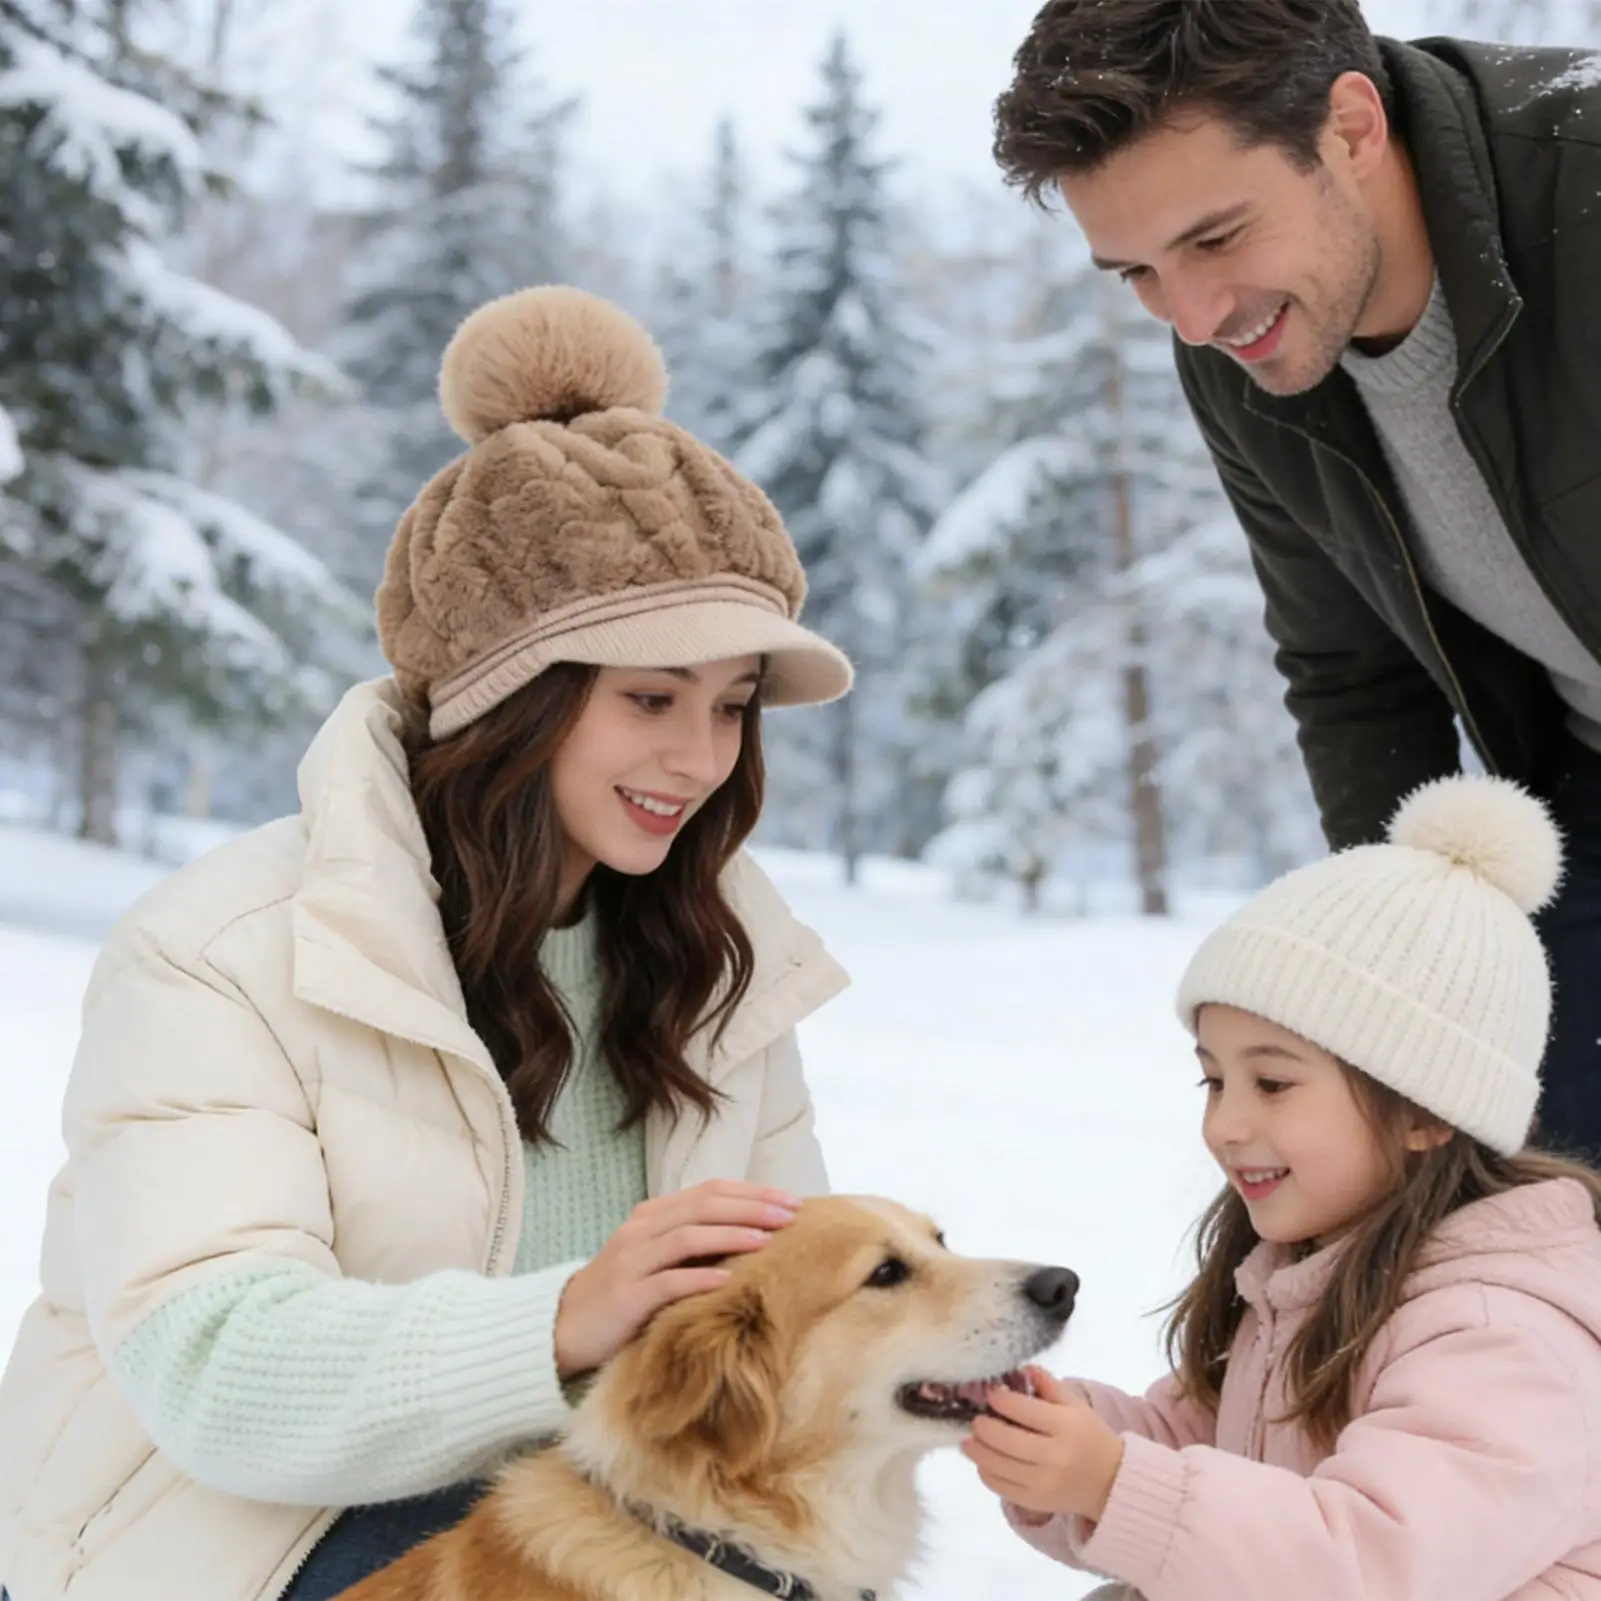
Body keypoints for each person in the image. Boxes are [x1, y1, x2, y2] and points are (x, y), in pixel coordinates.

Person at [0, 285, 856, 1601]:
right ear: (511, 695)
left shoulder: (716, 963)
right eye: (647, 698)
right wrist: (568, 1317)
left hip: (569, 1517)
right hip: (228, 1536)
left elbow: (786, 1305)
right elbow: (213, 1365)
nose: (698, 759)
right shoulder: (226, 949)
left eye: (732, 706)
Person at [991, 0, 1601, 1164]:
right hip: (1580, 797)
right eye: (1134, 272)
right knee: (1505, 1186)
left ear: (1352, 126)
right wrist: (1388, 992)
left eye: (1215, 237)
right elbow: (1350, 668)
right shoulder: (1237, 350)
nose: (1191, 315)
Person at [964, 773, 1601, 1600]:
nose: (1223, 1124)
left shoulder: (1499, 1334)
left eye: (1270, 1083)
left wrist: (1111, 1483)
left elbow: (1365, 1565)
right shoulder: (1311, 1270)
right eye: (1212, 1081)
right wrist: (1057, 1425)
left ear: (1424, 1111)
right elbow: (1200, 1441)